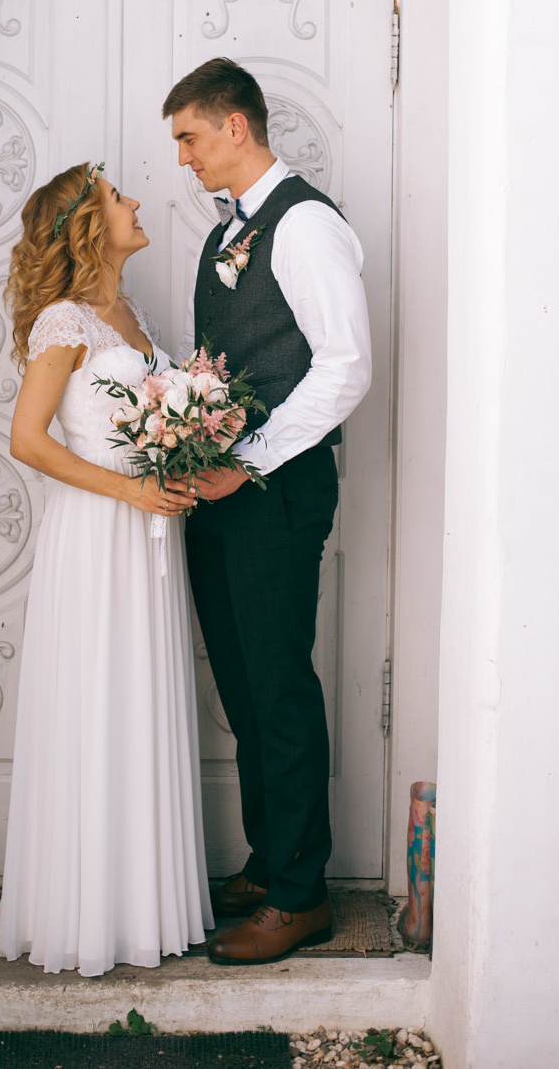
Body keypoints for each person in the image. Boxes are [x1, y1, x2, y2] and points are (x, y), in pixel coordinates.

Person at [162, 59, 372, 965]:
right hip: (222, 492)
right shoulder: (229, 230)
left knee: (278, 684)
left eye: (190, 138)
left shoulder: (305, 224)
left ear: (236, 126)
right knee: (245, 686)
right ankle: (268, 857)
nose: (184, 158)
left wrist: (244, 462)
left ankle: (300, 895)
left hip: (276, 491)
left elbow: (345, 366)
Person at [0, 160, 213, 976]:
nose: (137, 201)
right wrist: (129, 488)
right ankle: (80, 913)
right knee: (94, 699)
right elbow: (28, 439)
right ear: (87, 225)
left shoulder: (131, 313)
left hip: (147, 536)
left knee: (138, 697)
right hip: (95, 534)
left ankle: (140, 905)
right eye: (119, 198)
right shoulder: (64, 320)